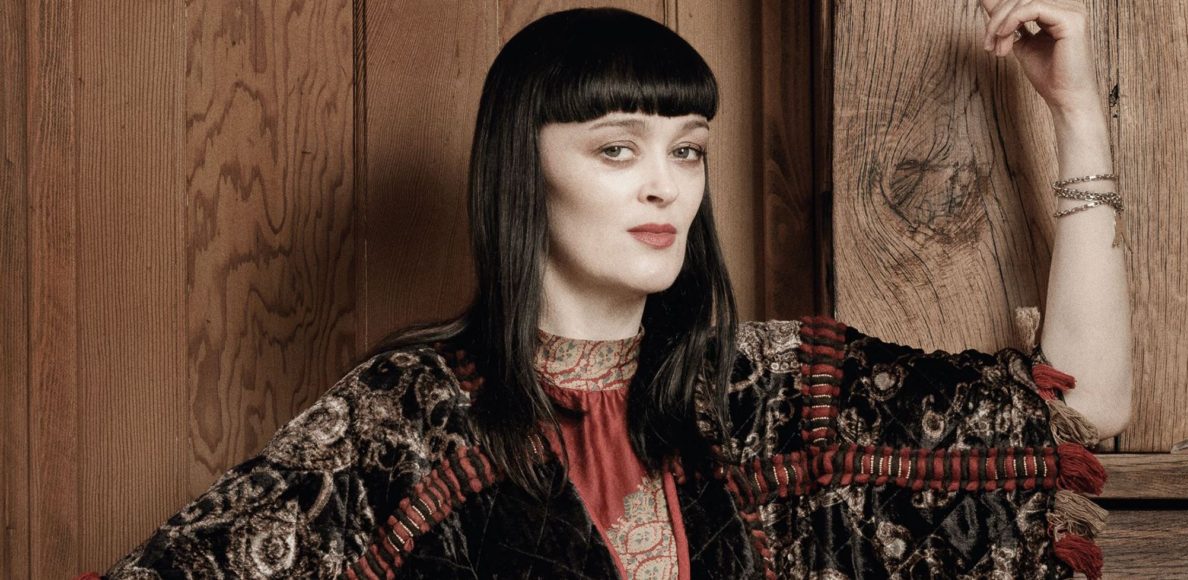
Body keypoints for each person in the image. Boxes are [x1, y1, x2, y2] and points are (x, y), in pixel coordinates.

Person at [91, 3, 1129, 579]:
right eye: (616, 148)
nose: (664, 184)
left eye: (688, 149)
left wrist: (1076, 114)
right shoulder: (405, 418)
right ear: (522, 169)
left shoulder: (767, 393)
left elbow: (1083, 406)